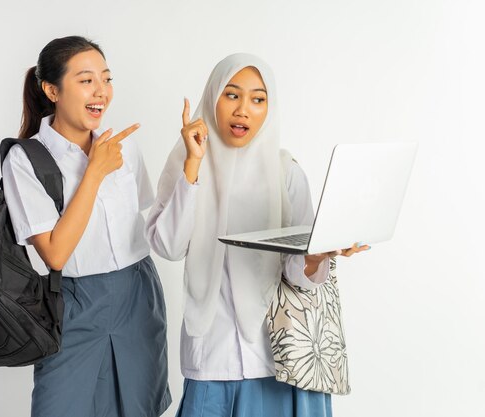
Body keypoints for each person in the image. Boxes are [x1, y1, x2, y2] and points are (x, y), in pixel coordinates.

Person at [145, 53, 368, 417]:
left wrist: (319, 255)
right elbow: (168, 246)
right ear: (212, 97)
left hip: (279, 359)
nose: (243, 110)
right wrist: (192, 166)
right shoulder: (187, 163)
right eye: (232, 95)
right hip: (212, 357)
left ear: (270, 108)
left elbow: (298, 274)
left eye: (258, 99)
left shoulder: (286, 173)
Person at [2, 36, 171, 417]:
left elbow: (146, 224)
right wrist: (93, 171)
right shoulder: (25, 159)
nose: (101, 92)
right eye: (86, 80)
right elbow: (56, 253)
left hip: (138, 294)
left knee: (139, 407)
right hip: (72, 304)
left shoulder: (124, 148)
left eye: (106, 79)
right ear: (52, 89)